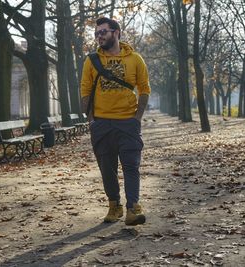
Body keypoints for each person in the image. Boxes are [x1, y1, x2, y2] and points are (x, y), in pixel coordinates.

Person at [80, 17, 150, 226]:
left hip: (128, 122)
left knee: (131, 166)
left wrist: (137, 118)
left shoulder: (135, 59)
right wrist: (91, 120)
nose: (99, 36)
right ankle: (114, 205)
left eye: (103, 32)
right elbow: (85, 91)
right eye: (97, 33)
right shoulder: (91, 60)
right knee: (107, 168)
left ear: (116, 32)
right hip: (101, 123)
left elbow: (144, 89)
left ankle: (133, 208)